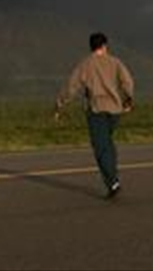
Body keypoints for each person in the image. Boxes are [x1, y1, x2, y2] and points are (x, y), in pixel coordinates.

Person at [55, 32, 134, 198]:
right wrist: (128, 100)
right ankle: (113, 177)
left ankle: (113, 181)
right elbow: (127, 81)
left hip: (96, 110)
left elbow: (72, 86)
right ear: (104, 45)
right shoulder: (115, 62)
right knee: (108, 144)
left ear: (91, 46)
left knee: (101, 148)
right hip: (114, 110)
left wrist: (60, 103)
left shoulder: (86, 64)